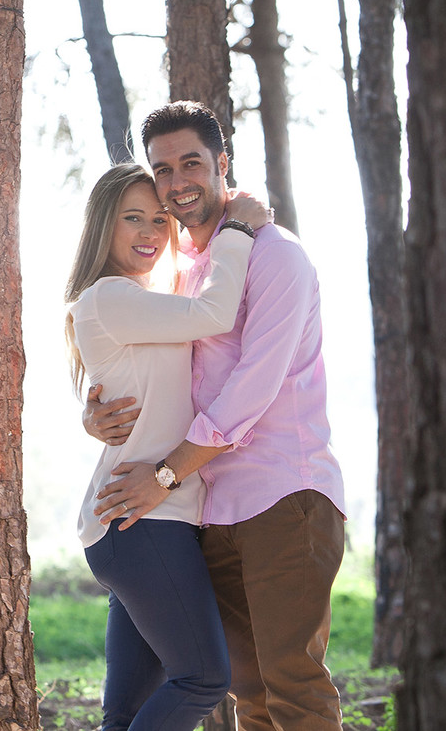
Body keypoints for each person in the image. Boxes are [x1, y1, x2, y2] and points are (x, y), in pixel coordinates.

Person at [84, 101, 347, 731]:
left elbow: (250, 392)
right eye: (163, 168)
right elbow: (147, 369)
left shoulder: (275, 257)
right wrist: (93, 411)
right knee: (249, 691)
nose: (178, 183)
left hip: (284, 495)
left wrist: (167, 476)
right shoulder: (190, 273)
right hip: (213, 509)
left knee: (292, 681)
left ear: (222, 163)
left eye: (192, 162)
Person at [66, 162, 272, 730]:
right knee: (204, 677)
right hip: (143, 523)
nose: (150, 232)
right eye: (133, 218)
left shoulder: (143, 300)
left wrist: (91, 415)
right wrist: (237, 231)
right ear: (102, 225)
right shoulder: (109, 297)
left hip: (137, 524)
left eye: (160, 219)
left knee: (126, 713)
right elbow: (214, 312)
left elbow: (135, 390)